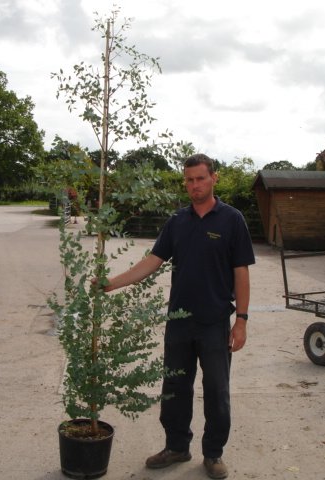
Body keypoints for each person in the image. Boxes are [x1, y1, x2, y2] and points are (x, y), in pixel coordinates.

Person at [102, 153, 255, 479]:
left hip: (214, 322)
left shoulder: (232, 220)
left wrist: (241, 320)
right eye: (189, 180)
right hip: (179, 322)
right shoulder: (177, 222)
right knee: (174, 388)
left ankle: (213, 454)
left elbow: (241, 272)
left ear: (214, 178)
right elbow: (151, 262)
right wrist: (111, 283)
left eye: (200, 178)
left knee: (217, 391)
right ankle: (176, 446)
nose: (195, 185)